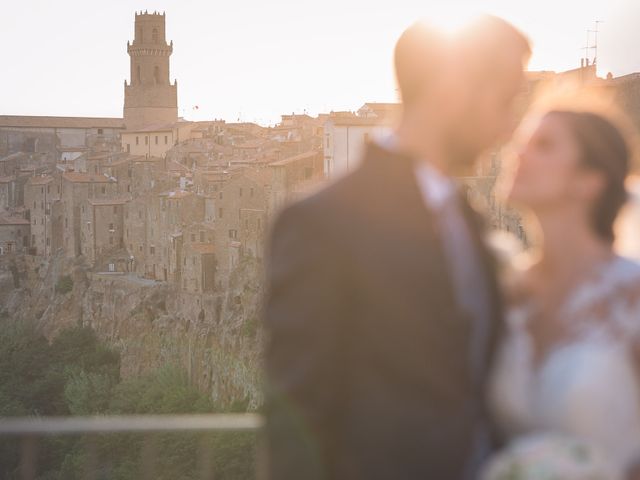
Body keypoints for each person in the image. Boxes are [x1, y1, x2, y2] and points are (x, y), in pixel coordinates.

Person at [264, 16, 530, 480]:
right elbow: (295, 420)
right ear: (453, 89)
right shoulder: (323, 222)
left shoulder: (470, 224)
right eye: (506, 102)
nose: (510, 128)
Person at [487, 104, 640, 478]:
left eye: (543, 145)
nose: (517, 152)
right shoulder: (503, 293)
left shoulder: (630, 296)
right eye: (521, 141)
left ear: (588, 181)